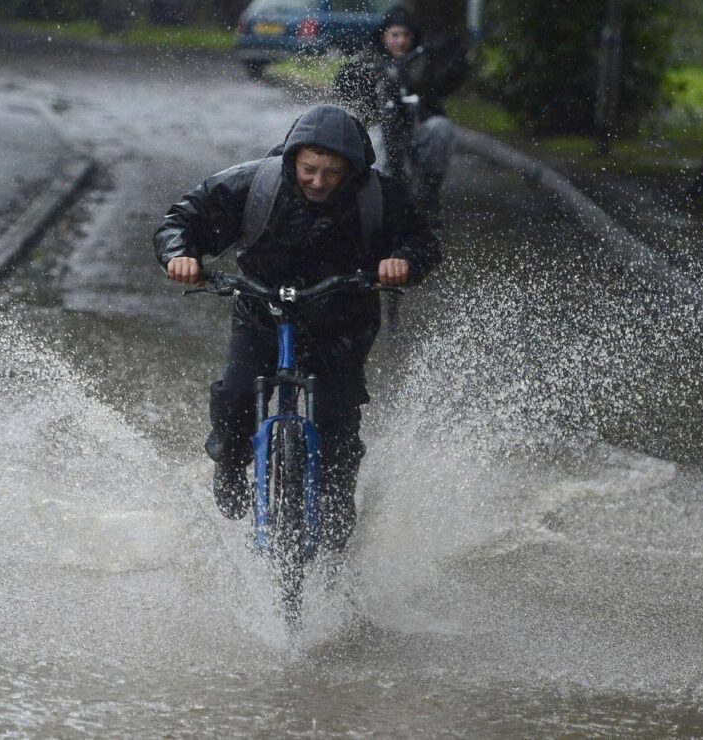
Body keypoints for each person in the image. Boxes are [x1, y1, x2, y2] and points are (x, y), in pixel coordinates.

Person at [154, 104, 441, 553]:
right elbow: (181, 220)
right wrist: (181, 255)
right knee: (235, 396)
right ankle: (229, 462)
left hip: (342, 319)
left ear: (352, 169)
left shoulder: (379, 196)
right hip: (261, 310)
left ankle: (336, 502)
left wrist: (403, 261)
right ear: (292, 161)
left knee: (337, 419)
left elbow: (422, 238)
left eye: (331, 173)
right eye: (309, 170)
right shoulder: (254, 184)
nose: (319, 182)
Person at [333, 5, 468, 223]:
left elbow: (448, 80)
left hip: (416, 131)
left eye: (406, 35)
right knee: (376, 143)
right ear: (384, 35)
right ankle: (376, 200)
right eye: (395, 35)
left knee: (441, 128)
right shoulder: (370, 60)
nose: (401, 41)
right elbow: (343, 84)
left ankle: (426, 196)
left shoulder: (424, 61)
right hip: (379, 133)